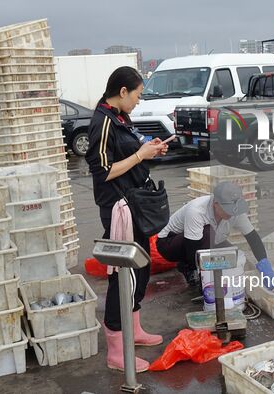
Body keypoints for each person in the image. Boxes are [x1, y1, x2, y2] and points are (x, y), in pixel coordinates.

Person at [86, 66, 170, 373]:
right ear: (123, 92)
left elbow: (132, 151)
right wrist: (139, 156)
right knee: (122, 276)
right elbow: (103, 171)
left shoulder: (121, 117)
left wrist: (150, 150)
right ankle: (116, 350)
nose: (138, 101)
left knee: (142, 269)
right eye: (137, 94)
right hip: (118, 207)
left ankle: (133, 330)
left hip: (135, 204)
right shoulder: (102, 122)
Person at [156, 182, 274, 290]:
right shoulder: (197, 211)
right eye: (228, 209)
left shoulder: (235, 210)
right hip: (169, 243)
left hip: (203, 238)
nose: (232, 213)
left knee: (232, 254)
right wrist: (203, 276)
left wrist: (264, 262)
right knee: (208, 234)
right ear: (216, 203)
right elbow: (192, 248)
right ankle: (187, 267)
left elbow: (252, 237)